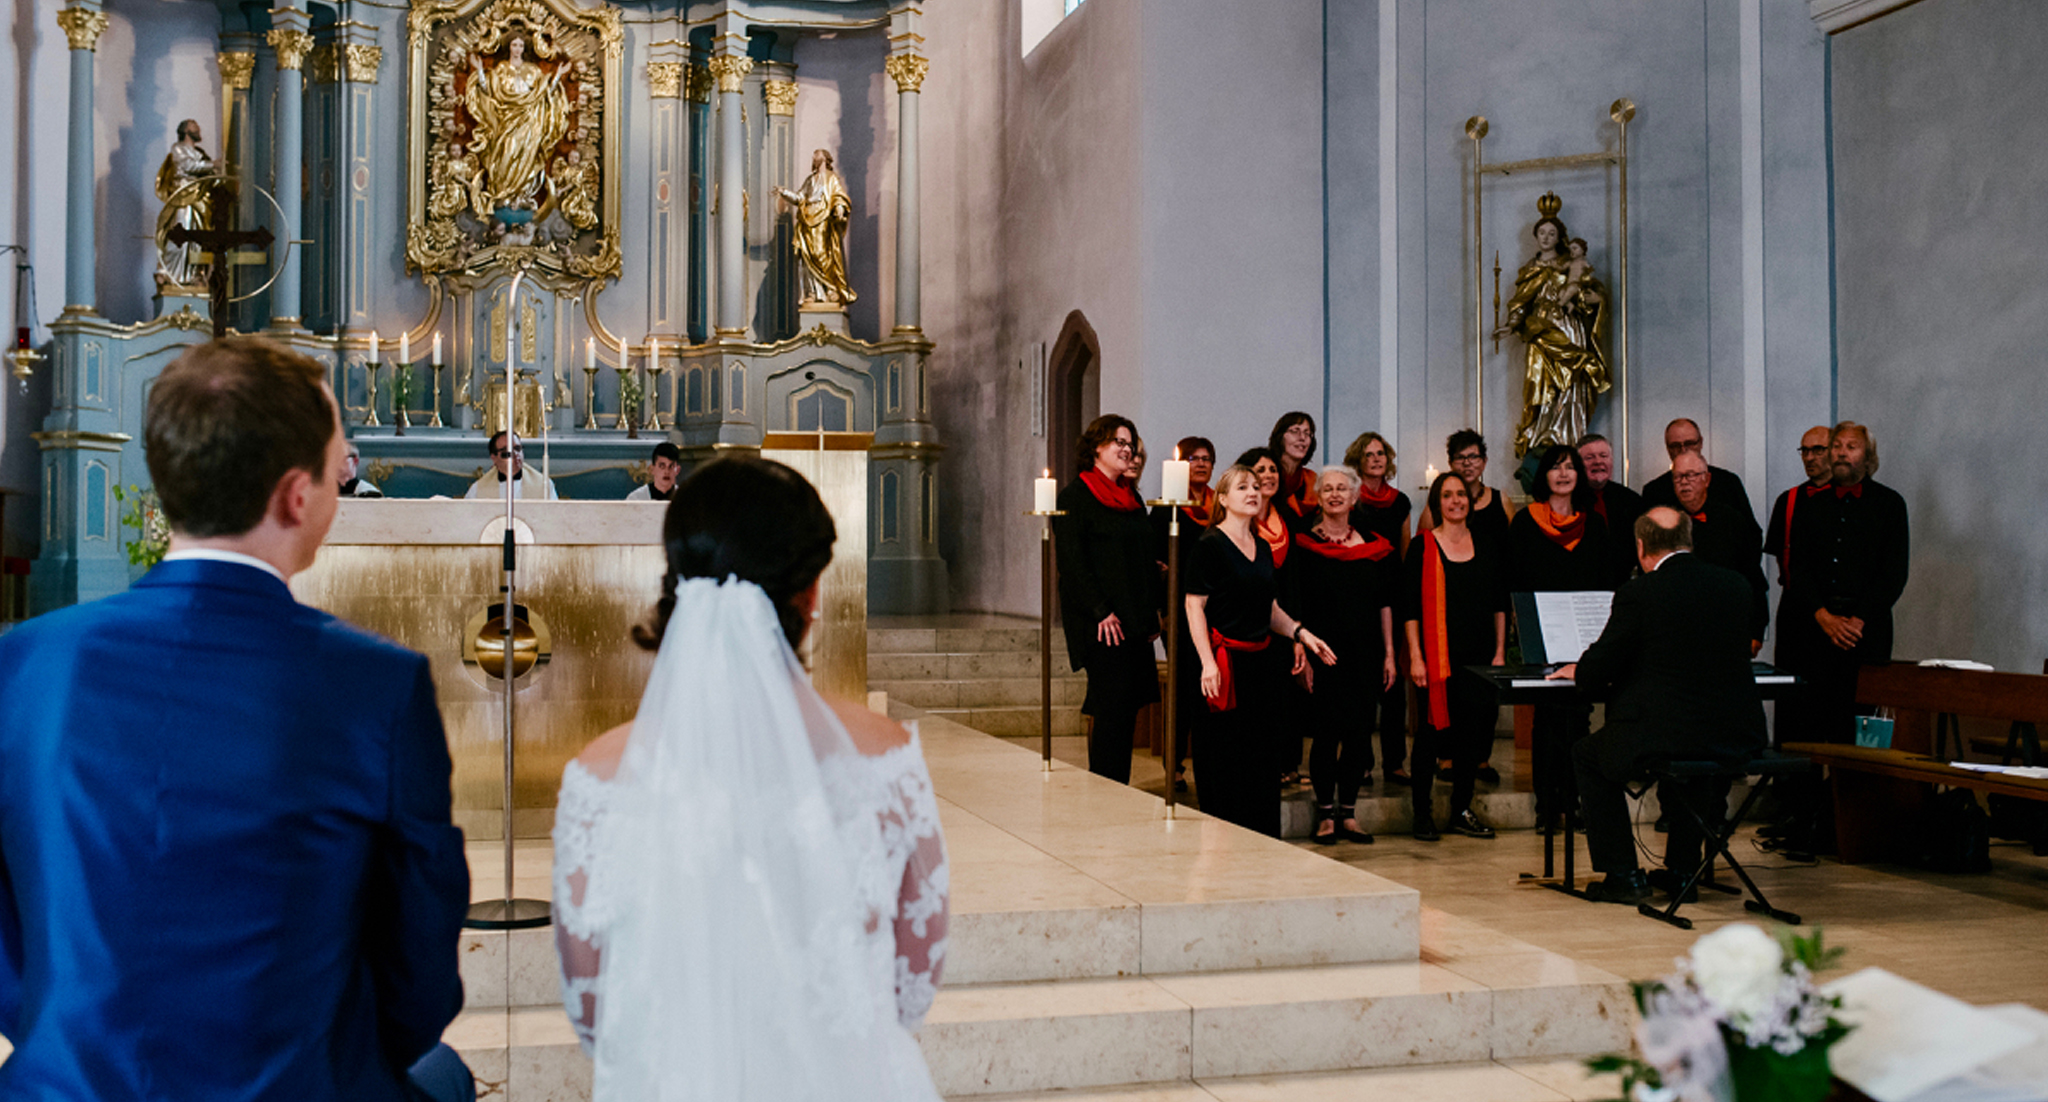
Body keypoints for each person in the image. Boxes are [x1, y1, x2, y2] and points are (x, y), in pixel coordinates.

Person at [0, 337, 473, 1100]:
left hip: (67, 1083)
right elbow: (420, 968)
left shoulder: (23, 663)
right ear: (297, 496)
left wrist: (70, 1034)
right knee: (442, 1077)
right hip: (294, 1085)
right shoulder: (378, 685)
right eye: (338, 460)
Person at [551, 456, 947, 1100]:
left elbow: (593, 1012)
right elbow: (911, 988)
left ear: (678, 579)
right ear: (810, 594)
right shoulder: (885, 757)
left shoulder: (598, 778)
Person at [1553, 508, 1769, 904]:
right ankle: (1683, 871)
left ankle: (1623, 875)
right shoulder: (1735, 586)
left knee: (1587, 754)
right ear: (1689, 539)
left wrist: (1579, 669)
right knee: (1699, 760)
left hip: (1664, 732)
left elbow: (1600, 668)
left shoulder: (1640, 593)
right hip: (1734, 732)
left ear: (1640, 547)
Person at [1185, 464, 1337, 836]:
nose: (1253, 492)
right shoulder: (1209, 546)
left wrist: (1301, 633)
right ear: (1223, 499)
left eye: (1256, 487)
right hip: (1225, 664)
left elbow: (1269, 609)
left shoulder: (1264, 546)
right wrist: (1207, 662)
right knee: (1225, 757)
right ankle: (1223, 837)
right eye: (1242, 487)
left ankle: (1261, 839)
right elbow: (1194, 606)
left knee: (1261, 757)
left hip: (1262, 663)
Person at [1773, 422, 1910, 748]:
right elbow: (1799, 569)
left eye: (1851, 446)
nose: (1842, 453)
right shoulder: (1810, 505)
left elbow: (1893, 574)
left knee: (1858, 726)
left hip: (1865, 632)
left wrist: (1858, 620)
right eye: (1837, 446)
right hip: (1815, 628)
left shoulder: (1890, 505)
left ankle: (1855, 797)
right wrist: (1823, 616)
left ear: (1868, 456)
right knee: (1807, 720)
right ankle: (1807, 798)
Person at [1283, 466, 1398, 844]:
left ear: (1354, 497)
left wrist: (1390, 654)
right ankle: (1325, 815)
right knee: (1326, 735)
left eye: (1342, 489)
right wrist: (1301, 649)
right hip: (1322, 652)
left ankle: (1349, 813)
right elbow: (1294, 605)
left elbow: (1385, 604)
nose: (1334, 494)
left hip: (1365, 653)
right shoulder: (1302, 545)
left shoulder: (1375, 546)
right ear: (1318, 497)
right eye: (1327, 489)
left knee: (1360, 735)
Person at [1507, 444, 1614, 833]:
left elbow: (1606, 582)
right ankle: (1547, 807)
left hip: (1583, 636)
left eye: (1571, 466)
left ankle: (1575, 802)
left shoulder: (1594, 525)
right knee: (1547, 723)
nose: (1564, 473)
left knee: (1579, 721)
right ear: (1544, 476)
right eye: (1556, 467)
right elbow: (1515, 580)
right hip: (1544, 636)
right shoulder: (1525, 523)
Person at [1053, 415, 1161, 784]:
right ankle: (1106, 785)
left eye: (1130, 444)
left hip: (1132, 619)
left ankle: (1119, 785)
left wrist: (1152, 614)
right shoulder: (1075, 497)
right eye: (1118, 442)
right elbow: (1072, 564)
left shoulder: (1132, 498)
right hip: (1101, 622)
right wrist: (1101, 611)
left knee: (1127, 708)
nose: (1126, 450)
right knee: (1111, 707)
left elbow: (1144, 562)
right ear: (1096, 447)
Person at [1402, 471, 1509, 842]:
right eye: (1447, 495)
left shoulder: (1488, 544)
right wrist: (1416, 656)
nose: (1455, 501)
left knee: (1471, 739)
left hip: (1479, 658)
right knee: (1430, 739)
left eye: (1461, 494)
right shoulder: (1422, 546)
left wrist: (1499, 652)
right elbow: (1410, 608)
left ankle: (1461, 810)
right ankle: (1421, 814)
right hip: (1435, 660)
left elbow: (1499, 605)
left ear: (1470, 500)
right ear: (1437, 503)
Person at [1343, 430, 1414, 781]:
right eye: (1369, 454)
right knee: (1363, 682)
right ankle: (1363, 760)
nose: (1376, 459)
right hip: (1360, 594)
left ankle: (1395, 762)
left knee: (1394, 681)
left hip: (1392, 593)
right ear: (1358, 460)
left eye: (1381, 454)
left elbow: (1404, 547)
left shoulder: (1400, 501)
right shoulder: (1351, 500)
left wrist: (1404, 591)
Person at [1152, 435, 1216, 793]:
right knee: (1180, 686)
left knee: (1204, 686)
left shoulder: (1218, 506)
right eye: (1193, 458)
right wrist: (1161, 607)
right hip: (1177, 610)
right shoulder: (1166, 508)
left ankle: (1206, 759)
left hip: (1210, 610)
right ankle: (1173, 764)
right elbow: (1154, 559)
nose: (1201, 464)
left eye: (1207, 458)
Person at [1669, 452, 1768, 649]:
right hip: (1677, 628)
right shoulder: (1666, 522)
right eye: (1678, 477)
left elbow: (1752, 577)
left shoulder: (1732, 521)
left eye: (1691, 475)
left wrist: (1756, 631)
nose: (1684, 482)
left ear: (1707, 479)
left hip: (1726, 624)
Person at [1640, 418, 1756, 533]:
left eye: (1689, 443)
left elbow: (1752, 533)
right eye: (1675, 445)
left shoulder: (1728, 483)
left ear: (1700, 442)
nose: (1683, 450)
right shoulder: (1654, 491)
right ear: (1667, 448)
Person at [775, 148, 858, 305]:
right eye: (813, 155)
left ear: (826, 158)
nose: (814, 156)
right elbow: (800, 197)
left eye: (817, 154)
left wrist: (839, 207)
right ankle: (813, 293)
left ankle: (831, 288)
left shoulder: (831, 178)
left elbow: (838, 195)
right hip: (807, 220)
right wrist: (784, 192)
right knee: (807, 257)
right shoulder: (810, 180)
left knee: (822, 254)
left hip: (823, 220)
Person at [1762, 425, 1835, 590]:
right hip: (1796, 600)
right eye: (1805, 451)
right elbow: (1779, 552)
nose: (1809, 458)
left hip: (1837, 600)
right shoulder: (1787, 500)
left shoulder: (1848, 498)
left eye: (1818, 450)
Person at [155, 118, 219, 289]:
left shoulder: (200, 153)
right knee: (179, 235)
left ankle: (195, 274)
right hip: (184, 197)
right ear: (186, 131)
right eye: (194, 126)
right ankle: (168, 273)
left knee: (197, 238)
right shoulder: (178, 149)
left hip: (198, 200)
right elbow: (188, 165)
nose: (198, 128)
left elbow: (207, 178)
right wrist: (212, 164)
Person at [1576, 433, 1643, 577]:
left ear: (1611, 461)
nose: (1598, 462)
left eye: (1603, 456)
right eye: (1589, 458)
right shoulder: (1569, 501)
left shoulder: (1632, 500)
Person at [466, 430, 561, 500]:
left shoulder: (544, 485)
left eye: (518, 448)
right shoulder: (478, 489)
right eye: (507, 451)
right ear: (494, 458)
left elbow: (554, 518)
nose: (515, 454)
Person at [1267, 413, 1320, 530]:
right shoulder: (1265, 475)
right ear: (1280, 436)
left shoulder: (1312, 479)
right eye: (1295, 431)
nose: (1302, 438)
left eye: (1307, 433)